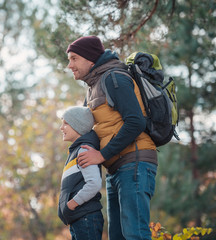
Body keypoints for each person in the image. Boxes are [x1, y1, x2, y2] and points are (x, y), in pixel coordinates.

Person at [66, 36, 158, 240]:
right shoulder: (92, 87)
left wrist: (101, 155)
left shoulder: (114, 78)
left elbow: (135, 121)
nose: (69, 65)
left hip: (134, 163)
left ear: (90, 59)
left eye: (74, 58)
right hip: (115, 167)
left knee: (136, 235)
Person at [58, 106, 104, 240]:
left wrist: (72, 204)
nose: (61, 127)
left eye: (66, 123)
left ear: (78, 126)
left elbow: (94, 184)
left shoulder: (83, 151)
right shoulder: (75, 151)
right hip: (79, 218)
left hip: (86, 218)